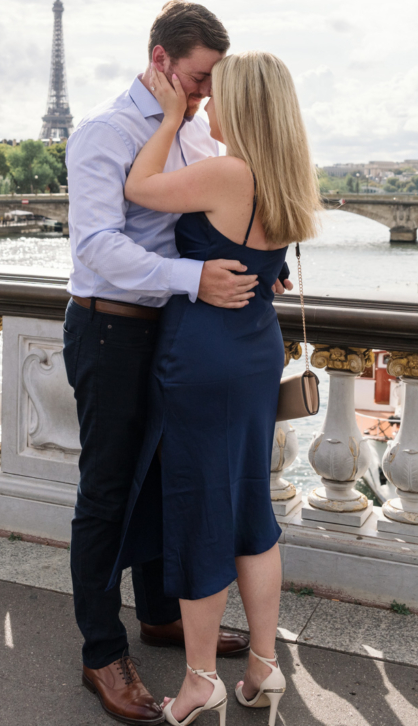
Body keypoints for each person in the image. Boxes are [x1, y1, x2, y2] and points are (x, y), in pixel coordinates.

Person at [64, 0, 272, 725]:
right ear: (160, 61)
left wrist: (248, 268)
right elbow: (96, 248)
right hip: (110, 333)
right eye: (197, 78)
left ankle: (158, 613)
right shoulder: (101, 134)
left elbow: (210, 227)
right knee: (109, 490)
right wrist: (197, 280)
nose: (207, 94)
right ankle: (100, 650)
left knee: (164, 482)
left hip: (172, 335)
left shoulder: (188, 138)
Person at [116, 50, 321, 726]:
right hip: (256, 347)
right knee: (250, 512)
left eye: (219, 93)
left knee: (202, 510)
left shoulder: (227, 173)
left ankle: (200, 679)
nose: (211, 104)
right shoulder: (285, 176)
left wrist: (171, 116)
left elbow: (139, 187)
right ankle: (262, 667)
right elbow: (270, 260)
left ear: (246, 105)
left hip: (203, 352)